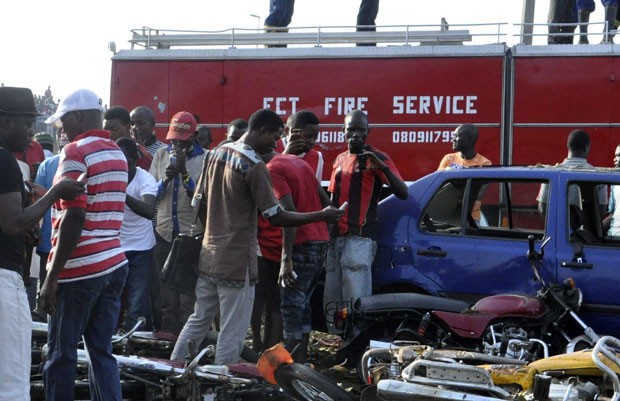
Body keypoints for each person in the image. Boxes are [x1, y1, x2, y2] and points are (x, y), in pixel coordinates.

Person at [170, 108, 344, 365]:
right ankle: (221, 383)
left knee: (199, 318)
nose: (276, 144)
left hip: (209, 255)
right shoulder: (253, 165)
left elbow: (200, 204)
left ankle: (174, 370)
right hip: (238, 261)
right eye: (274, 137)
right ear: (261, 130)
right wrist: (320, 215)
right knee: (233, 329)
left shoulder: (217, 153)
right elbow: (277, 216)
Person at [39, 88, 128, 401]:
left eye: (63, 121)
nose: (61, 129)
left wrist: (51, 279)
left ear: (77, 116)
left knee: (61, 354)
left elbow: (74, 216)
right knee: (101, 352)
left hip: (79, 268)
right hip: (115, 262)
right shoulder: (116, 152)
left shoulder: (75, 151)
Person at [0, 86, 84, 401]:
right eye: (25, 122)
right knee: (10, 381)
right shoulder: (5, 161)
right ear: (4, 120)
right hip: (3, 281)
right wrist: (55, 192)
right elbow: (12, 222)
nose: (31, 131)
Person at [323, 109, 408, 334]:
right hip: (336, 239)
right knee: (334, 302)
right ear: (343, 131)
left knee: (355, 300)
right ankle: (339, 344)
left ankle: (356, 347)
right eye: (351, 129)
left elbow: (403, 192)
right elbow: (333, 198)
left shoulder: (376, 158)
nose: (356, 135)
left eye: (361, 130)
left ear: (368, 132)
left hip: (360, 239)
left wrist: (384, 169)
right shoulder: (340, 159)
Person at [254, 151, 331, 362]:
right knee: (303, 305)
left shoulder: (273, 169)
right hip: (319, 241)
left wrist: (286, 258)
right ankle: (301, 362)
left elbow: (288, 212)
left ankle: (289, 369)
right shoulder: (299, 162)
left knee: (290, 308)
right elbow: (326, 202)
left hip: (301, 245)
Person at [149, 111, 206, 333]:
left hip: (190, 235)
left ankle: (186, 347)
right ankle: (168, 347)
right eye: (173, 139)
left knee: (187, 299)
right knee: (167, 298)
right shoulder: (161, 155)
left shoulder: (206, 159)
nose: (176, 144)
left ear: (194, 136)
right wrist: (167, 178)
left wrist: (183, 173)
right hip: (164, 233)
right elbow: (152, 194)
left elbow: (200, 199)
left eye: (181, 140)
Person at [116, 137, 158, 331]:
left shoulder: (145, 179)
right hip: (114, 249)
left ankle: (134, 351)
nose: (123, 166)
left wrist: (122, 195)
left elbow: (149, 211)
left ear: (135, 158)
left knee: (137, 303)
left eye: (127, 160)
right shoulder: (111, 176)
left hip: (141, 250)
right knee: (112, 302)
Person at [537, 129, 607, 214]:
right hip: (585, 227)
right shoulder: (600, 176)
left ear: (568, 146)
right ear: (586, 147)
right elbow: (601, 209)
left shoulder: (550, 173)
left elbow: (542, 208)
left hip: (557, 227)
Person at [437, 124, 492, 223]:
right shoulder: (448, 158)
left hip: (470, 219)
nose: (452, 139)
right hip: (445, 217)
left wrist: (451, 175)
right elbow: (438, 186)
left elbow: (478, 194)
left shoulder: (484, 163)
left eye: (456, 136)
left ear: (469, 139)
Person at [278, 110, 325, 181]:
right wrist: (286, 154)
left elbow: (314, 188)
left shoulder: (317, 157)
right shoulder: (272, 148)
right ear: (288, 131)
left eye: (315, 137)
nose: (312, 142)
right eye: (308, 136)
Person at [104, 105, 152, 169]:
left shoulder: (140, 154)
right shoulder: (102, 151)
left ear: (128, 127)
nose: (109, 134)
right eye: (105, 130)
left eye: (114, 129)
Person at [604, 144, 620, 236]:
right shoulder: (615, 183)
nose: (614, 159)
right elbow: (612, 215)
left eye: (618, 155)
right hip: (612, 235)